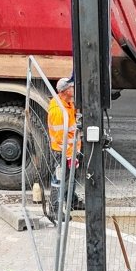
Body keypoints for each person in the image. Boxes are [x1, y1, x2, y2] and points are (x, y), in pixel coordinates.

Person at [45, 76, 81, 213]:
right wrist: (69, 156)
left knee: (70, 178)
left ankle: (72, 202)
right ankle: (54, 210)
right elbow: (61, 140)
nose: (74, 89)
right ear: (65, 91)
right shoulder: (58, 111)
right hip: (62, 153)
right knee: (59, 180)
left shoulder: (68, 103)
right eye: (72, 87)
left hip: (70, 151)